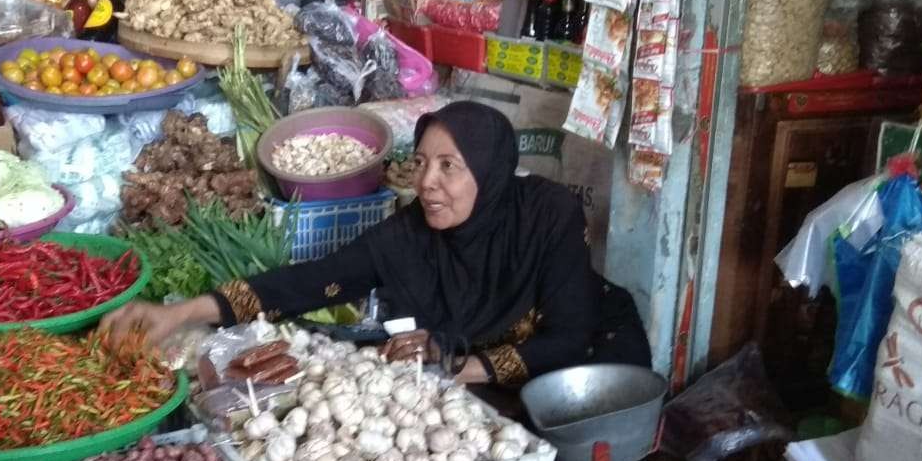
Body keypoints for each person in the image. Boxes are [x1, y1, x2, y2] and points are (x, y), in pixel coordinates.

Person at [103, 101, 651, 387]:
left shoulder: (547, 216)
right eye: (421, 164)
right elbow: (311, 280)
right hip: (484, 376)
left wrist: (458, 368)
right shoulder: (410, 234)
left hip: (584, 368)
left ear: (491, 172)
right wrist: (183, 312)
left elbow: (568, 336)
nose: (427, 182)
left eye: (449, 167)